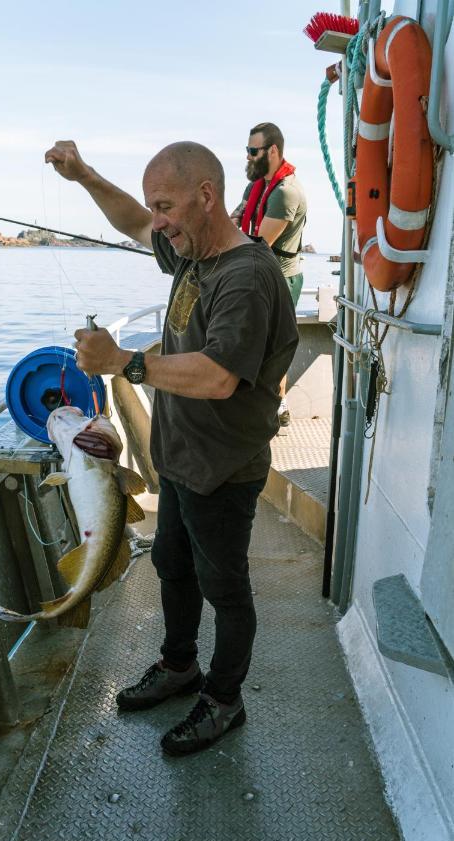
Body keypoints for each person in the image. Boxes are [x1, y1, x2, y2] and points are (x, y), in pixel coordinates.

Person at [45, 139, 298, 756]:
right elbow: (132, 220)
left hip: (225, 469)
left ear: (205, 198)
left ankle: (223, 700)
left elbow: (218, 376)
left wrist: (122, 362)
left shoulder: (246, 276)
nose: (157, 222)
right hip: (180, 459)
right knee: (173, 566)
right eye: (157, 207)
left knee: (226, 587)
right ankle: (180, 665)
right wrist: (83, 176)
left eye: (167, 206)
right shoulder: (192, 251)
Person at [231, 123, 307, 426]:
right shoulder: (255, 188)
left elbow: (258, 245)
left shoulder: (286, 193)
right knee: (254, 343)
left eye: (253, 151)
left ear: (272, 151)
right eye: (247, 151)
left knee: (271, 348)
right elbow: (236, 218)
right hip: (256, 273)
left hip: (281, 280)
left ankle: (276, 407)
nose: (248, 157)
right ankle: (264, 404)